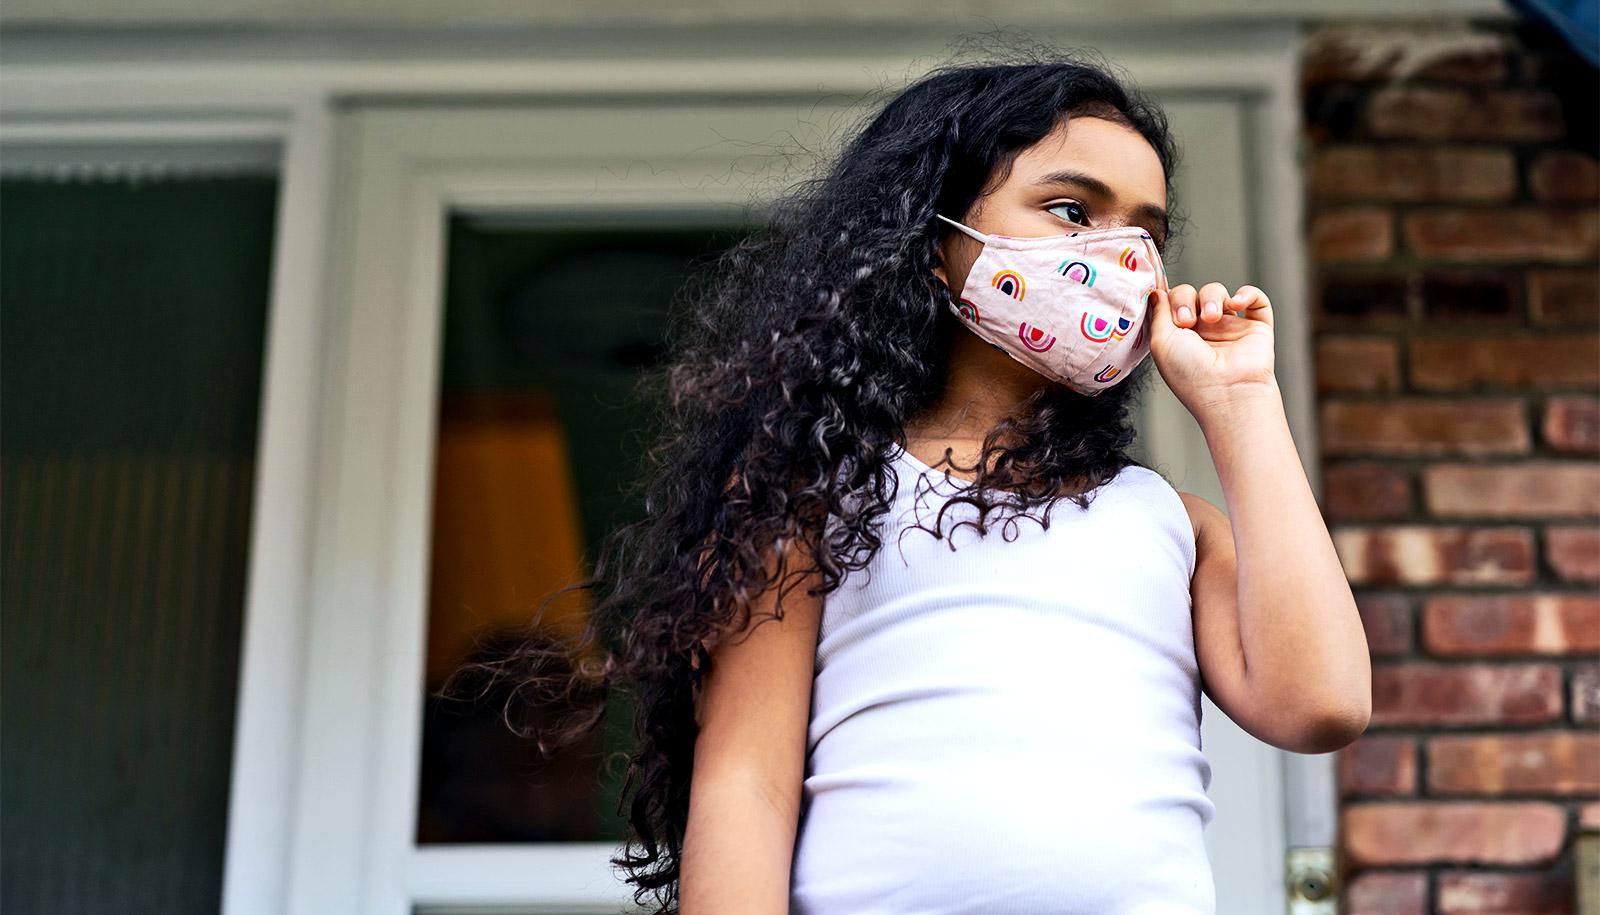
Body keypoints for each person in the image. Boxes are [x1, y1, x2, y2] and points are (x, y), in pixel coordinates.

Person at [438, 44, 1373, 915]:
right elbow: (745, 785)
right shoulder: (813, 499)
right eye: (1073, 209)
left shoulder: (1171, 522)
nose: (1122, 258)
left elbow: (1321, 701)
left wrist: (1241, 399)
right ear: (935, 241)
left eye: (1147, 231)